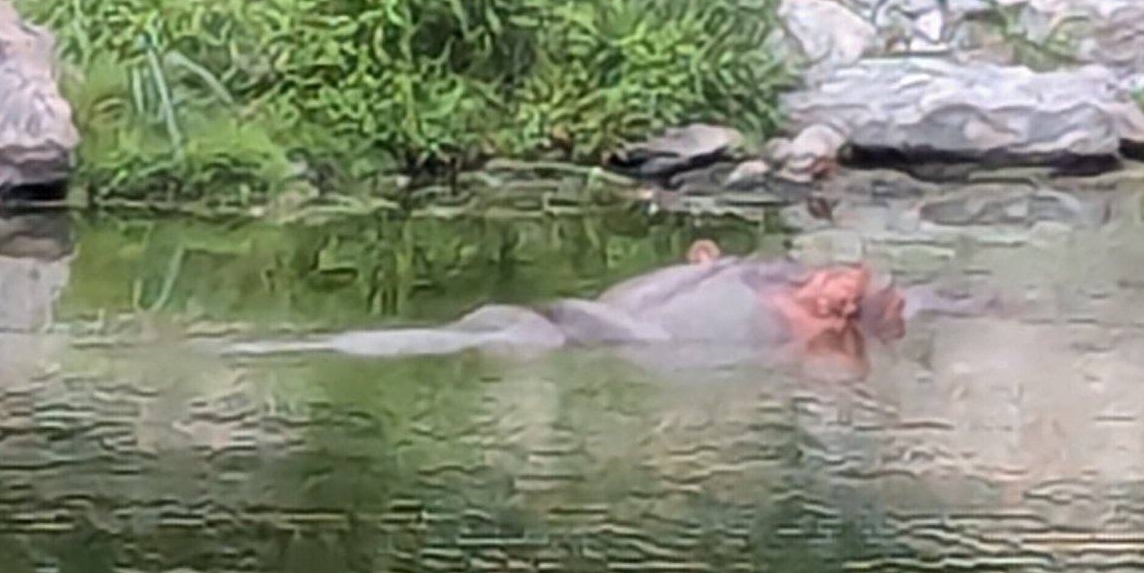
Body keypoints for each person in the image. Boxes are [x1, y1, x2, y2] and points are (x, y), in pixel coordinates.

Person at [233, 242, 908, 366]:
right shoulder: (765, 293)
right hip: (610, 328)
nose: (824, 279)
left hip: (614, 335)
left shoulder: (798, 334)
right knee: (478, 336)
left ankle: (314, 345)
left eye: (840, 286)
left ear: (840, 312)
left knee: (481, 337)